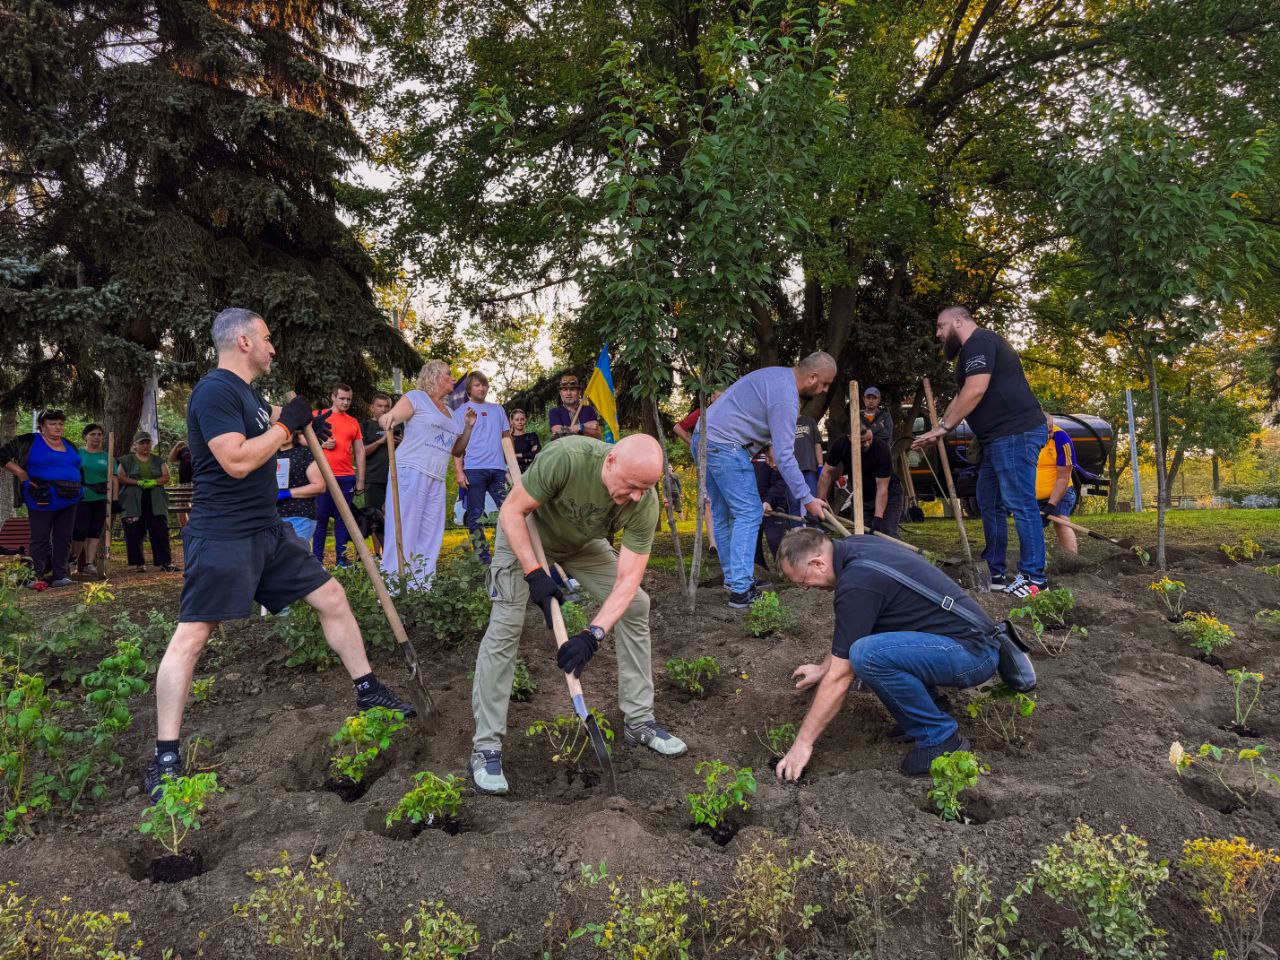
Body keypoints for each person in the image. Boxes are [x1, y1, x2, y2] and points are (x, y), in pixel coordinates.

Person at [145, 307, 413, 802]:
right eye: (267, 339)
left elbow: (269, 444)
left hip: (267, 530)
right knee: (193, 636)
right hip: (223, 535)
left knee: (332, 596)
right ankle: (165, 759)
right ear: (243, 341)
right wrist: (286, 429)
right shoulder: (215, 391)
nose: (273, 347)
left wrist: (303, 430)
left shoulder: (249, 395)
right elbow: (237, 459)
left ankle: (369, 690)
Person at [469, 434, 686, 795]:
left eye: (644, 489)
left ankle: (639, 720)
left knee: (636, 605)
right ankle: (486, 746)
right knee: (507, 624)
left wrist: (593, 634)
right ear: (611, 460)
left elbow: (629, 580)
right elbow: (511, 510)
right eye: (632, 486)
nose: (636, 496)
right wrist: (534, 573)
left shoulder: (644, 503)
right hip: (524, 531)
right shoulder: (568, 457)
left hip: (581, 545)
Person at [772, 527, 998, 780]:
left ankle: (939, 737)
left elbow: (842, 675)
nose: (805, 589)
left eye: (803, 581)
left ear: (817, 563)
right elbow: (852, 631)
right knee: (864, 647)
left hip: (971, 654)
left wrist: (802, 743)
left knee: (866, 655)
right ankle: (930, 705)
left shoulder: (857, 582)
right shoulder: (856, 547)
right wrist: (823, 668)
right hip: (961, 641)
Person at [912, 306, 1047, 597]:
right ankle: (996, 570)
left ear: (959, 320)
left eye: (940, 325)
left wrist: (945, 427)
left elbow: (976, 390)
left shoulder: (980, 341)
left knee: (1021, 503)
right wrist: (939, 430)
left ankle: (1034, 578)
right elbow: (961, 396)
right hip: (995, 439)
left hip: (1014, 433)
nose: (938, 334)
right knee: (989, 502)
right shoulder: (970, 353)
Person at [697, 353, 836, 608]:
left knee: (724, 514)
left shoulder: (777, 375)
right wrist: (807, 499)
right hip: (726, 446)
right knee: (749, 513)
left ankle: (733, 579)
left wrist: (768, 444)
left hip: (704, 437)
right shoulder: (787, 397)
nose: (824, 390)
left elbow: (755, 414)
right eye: (825, 384)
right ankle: (741, 590)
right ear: (812, 378)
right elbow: (785, 456)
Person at [379, 360, 477, 587]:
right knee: (403, 530)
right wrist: (387, 419)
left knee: (431, 535)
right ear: (433, 376)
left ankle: (421, 587)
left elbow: (456, 449)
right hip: (410, 471)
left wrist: (469, 426)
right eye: (449, 374)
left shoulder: (452, 414)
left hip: (436, 477)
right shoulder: (416, 398)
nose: (453, 379)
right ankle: (392, 587)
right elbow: (392, 417)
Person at [0, 410, 82, 587]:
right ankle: (35, 577)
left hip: (70, 497)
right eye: (52, 424)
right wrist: (21, 473)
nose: (57, 427)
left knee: (64, 537)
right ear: (42, 426)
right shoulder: (28, 441)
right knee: (40, 538)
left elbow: (76, 466)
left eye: (60, 423)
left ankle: (60, 575)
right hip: (41, 496)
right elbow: (2, 455)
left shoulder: (69, 444)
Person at [453, 371, 510, 564]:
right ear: (469, 388)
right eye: (477, 385)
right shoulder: (461, 411)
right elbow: (457, 446)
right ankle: (483, 558)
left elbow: (506, 439)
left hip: (498, 469)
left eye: (484, 384)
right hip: (474, 469)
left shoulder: (498, 409)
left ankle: (509, 553)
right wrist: (459, 472)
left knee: (509, 511)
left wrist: (509, 467)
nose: (482, 388)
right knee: (475, 515)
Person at [311, 383, 365, 568]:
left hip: (346, 477)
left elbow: (360, 451)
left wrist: (360, 480)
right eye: (342, 398)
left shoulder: (353, 422)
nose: (345, 402)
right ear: (333, 397)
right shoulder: (318, 416)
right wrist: (322, 445)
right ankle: (317, 561)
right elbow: (302, 443)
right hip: (323, 476)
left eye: (348, 399)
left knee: (344, 520)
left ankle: (341, 559)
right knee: (321, 519)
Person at [821, 426, 905, 539]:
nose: (867, 444)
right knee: (864, 536)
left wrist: (878, 517)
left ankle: (897, 555)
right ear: (850, 437)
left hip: (889, 493)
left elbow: (882, 488)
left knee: (887, 532)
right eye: (862, 441)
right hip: (862, 495)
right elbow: (826, 473)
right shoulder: (841, 445)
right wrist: (820, 501)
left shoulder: (881, 448)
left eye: (869, 439)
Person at [117, 432, 175, 573]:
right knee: (134, 529)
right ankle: (138, 563)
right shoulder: (126, 460)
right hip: (133, 499)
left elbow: (166, 476)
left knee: (159, 529)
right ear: (135, 445)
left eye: (148, 442)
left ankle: (164, 562)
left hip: (155, 499)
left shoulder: (158, 460)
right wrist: (138, 482)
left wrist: (154, 481)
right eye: (142, 443)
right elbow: (121, 477)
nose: (145, 445)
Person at [71, 423, 110, 575]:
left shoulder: (106, 456)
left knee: (94, 531)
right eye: (93, 434)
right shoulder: (78, 454)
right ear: (85, 436)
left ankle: (89, 563)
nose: (96, 437)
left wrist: (113, 500)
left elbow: (113, 478)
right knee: (80, 530)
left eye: (99, 434)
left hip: (101, 498)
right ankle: (73, 561)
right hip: (82, 497)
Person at [1037, 412, 1078, 554]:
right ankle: (1038, 562)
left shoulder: (1062, 438)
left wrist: (1051, 505)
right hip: (1032, 496)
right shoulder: (1023, 439)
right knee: (1032, 526)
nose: (1049, 435)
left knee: (1061, 521)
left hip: (1061, 492)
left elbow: (1063, 477)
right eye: (1044, 431)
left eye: (1050, 430)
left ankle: (1073, 561)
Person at [275, 429, 325, 545]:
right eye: (279, 430)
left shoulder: (305, 453)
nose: (285, 434)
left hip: (299, 516)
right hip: (271, 517)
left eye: (288, 430)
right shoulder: (268, 455)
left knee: (293, 559)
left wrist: (287, 493)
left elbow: (319, 486)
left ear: (295, 432)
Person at [360, 393, 397, 531]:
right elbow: (361, 452)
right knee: (375, 518)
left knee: (395, 516)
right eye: (379, 406)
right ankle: (378, 552)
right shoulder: (365, 426)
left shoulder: (397, 425)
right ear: (371, 407)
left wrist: (402, 442)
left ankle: (395, 550)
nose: (384, 409)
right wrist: (381, 441)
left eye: (387, 406)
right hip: (374, 479)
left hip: (396, 478)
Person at [787, 413, 823, 526]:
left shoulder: (809, 421)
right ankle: (796, 534)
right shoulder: (785, 422)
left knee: (813, 501)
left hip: (809, 467)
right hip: (790, 469)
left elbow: (817, 444)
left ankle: (814, 533)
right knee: (794, 503)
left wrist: (820, 465)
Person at [548, 375, 601, 440]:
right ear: (560, 393)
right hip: (567, 449)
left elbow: (597, 436)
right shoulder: (555, 412)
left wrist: (580, 427)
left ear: (579, 392)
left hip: (589, 448)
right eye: (565, 390)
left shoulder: (589, 410)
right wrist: (584, 426)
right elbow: (559, 434)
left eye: (572, 389)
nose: (568, 393)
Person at [510, 408, 541, 473]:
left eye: (522, 419)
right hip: (514, 473)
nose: (520, 422)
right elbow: (508, 459)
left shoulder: (532, 436)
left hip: (532, 471)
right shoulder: (509, 439)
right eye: (517, 420)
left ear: (525, 420)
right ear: (511, 421)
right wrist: (528, 456)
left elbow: (537, 454)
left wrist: (516, 455)